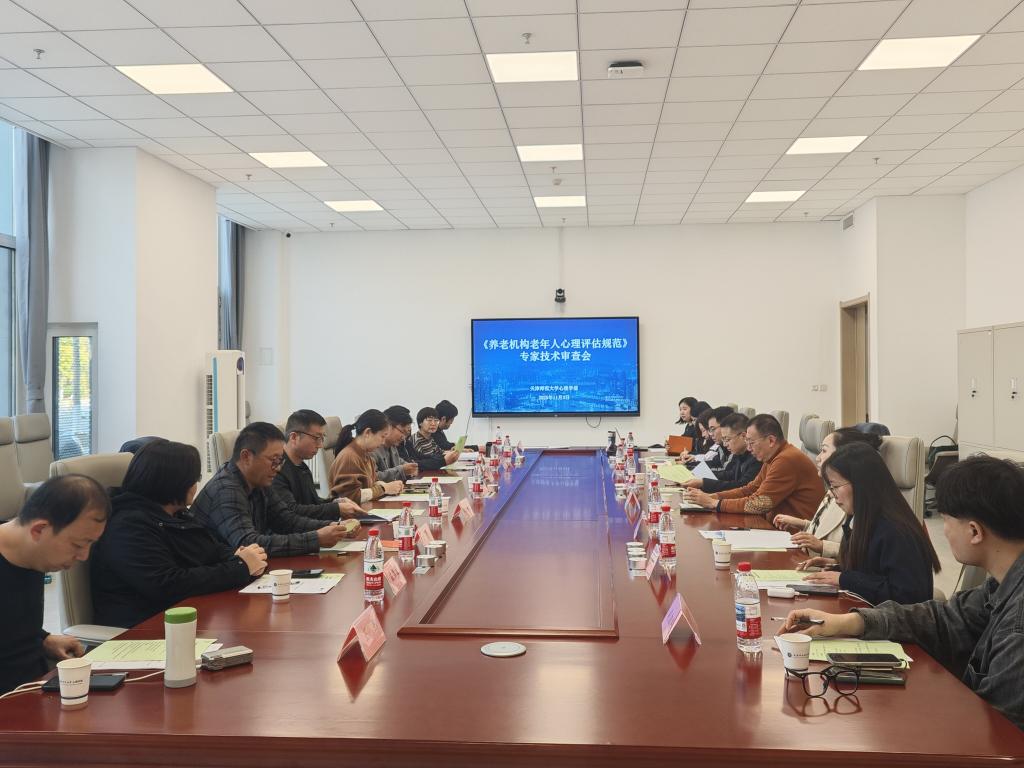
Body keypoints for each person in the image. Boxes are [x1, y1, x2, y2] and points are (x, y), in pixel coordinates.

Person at [783, 455, 1024, 731]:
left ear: (974, 532)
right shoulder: (1001, 583)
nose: (944, 532)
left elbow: (1001, 736)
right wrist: (850, 622)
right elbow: (943, 617)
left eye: (946, 520)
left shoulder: (1018, 624)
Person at [90, 440, 268, 628]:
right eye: (194, 479)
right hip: (146, 628)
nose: (195, 485)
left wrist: (241, 557)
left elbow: (211, 549)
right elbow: (167, 584)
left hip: (187, 616)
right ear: (174, 482)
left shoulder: (176, 514)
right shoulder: (128, 526)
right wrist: (240, 567)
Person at [0, 475, 108, 694]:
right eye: (78, 545)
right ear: (39, 530)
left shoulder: (33, 556)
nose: (84, 556)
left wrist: (43, 639)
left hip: (36, 690)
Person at [794, 442, 939, 605]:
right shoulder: (857, 519)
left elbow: (907, 597)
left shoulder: (896, 531)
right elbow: (872, 573)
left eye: (835, 486)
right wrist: (838, 568)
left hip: (891, 619)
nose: (833, 495)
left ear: (861, 484)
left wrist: (845, 578)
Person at [192, 422, 353, 557]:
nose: (278, 468)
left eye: (280, 461)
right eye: (273, 460)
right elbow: (249, 544)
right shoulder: (226, 489)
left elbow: (286, 520)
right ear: (246, 456)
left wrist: (333, 526)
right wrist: (316, 539)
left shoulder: (259, 480)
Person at [684, 414, 823, 522]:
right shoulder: (773, 457)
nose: (749, 448)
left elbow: (759, 503)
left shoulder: (786, 459)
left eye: (751, 442)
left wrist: (715, 503)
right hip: (776, 527)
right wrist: (713, 497)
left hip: (794, 536)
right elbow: (750, 489)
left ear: (771, 440)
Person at [774, 427, 883, 557]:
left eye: (824, 451)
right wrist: (802, 524)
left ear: (843, 455)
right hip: (811, 559)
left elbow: (860, 553)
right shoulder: (833, 490)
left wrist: (822, 546)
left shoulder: (851, 497)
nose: (818, 458)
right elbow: (825, 530)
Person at [273, 409, 364, 520]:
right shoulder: (276, 469)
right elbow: (291, 511)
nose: (320, 445)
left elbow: (312, 503)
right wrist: (336, 509)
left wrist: (336, 502)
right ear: (294, 437)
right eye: (316, 438)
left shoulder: (302, 467)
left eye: (322, 438)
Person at [328, 410, 405, 503]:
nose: (383, 442)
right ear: (367, 432)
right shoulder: (349, 457)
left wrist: (390, 486)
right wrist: (384, 489)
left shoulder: (365, 454)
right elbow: (350, 496)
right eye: (382, 436)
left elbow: (372, 482)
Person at [681, 413, 761, 493]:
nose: (725, 444)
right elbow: (730, 475)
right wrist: (699, 476)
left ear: (743, 436)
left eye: (727, 439)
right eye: (724, 439)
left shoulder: (757, 458)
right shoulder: (740, 454)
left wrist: (703, 483)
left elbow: (742, 487)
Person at [374, 406, 419, 483]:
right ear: (389, 426)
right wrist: (402, 470)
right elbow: (372, 477)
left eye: (406, 434)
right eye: (402, 432)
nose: (403, 438)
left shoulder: (392, 446)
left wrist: (411, 467)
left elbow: (399, 461)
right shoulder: (372, 447)